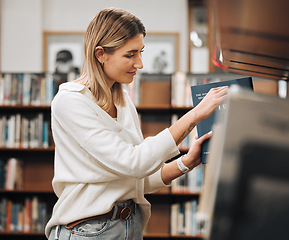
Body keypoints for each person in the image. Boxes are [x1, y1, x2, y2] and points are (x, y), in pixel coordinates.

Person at [46, 8, 228, 240]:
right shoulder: (70, 101)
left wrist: (185, 163)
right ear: (100, 54)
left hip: (129, 225)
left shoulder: (122, 102)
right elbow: (134, 163)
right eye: (130, 54)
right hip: (88, 231)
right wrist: (194, 116)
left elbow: (135, 180)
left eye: (140, 52)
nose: (140, 63)